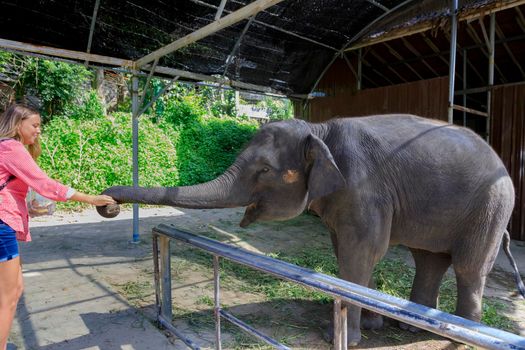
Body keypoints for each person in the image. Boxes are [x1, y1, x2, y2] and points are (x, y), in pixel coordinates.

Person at [0, 103, 115, 350]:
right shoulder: (11, 148)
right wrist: (90, 198)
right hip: (2, 224)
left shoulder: (7, 148)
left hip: (5, 223)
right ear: (17, 124)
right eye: (35, 125)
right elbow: (45, 185)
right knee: (8, 299)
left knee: (15, 289)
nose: (39, 130)